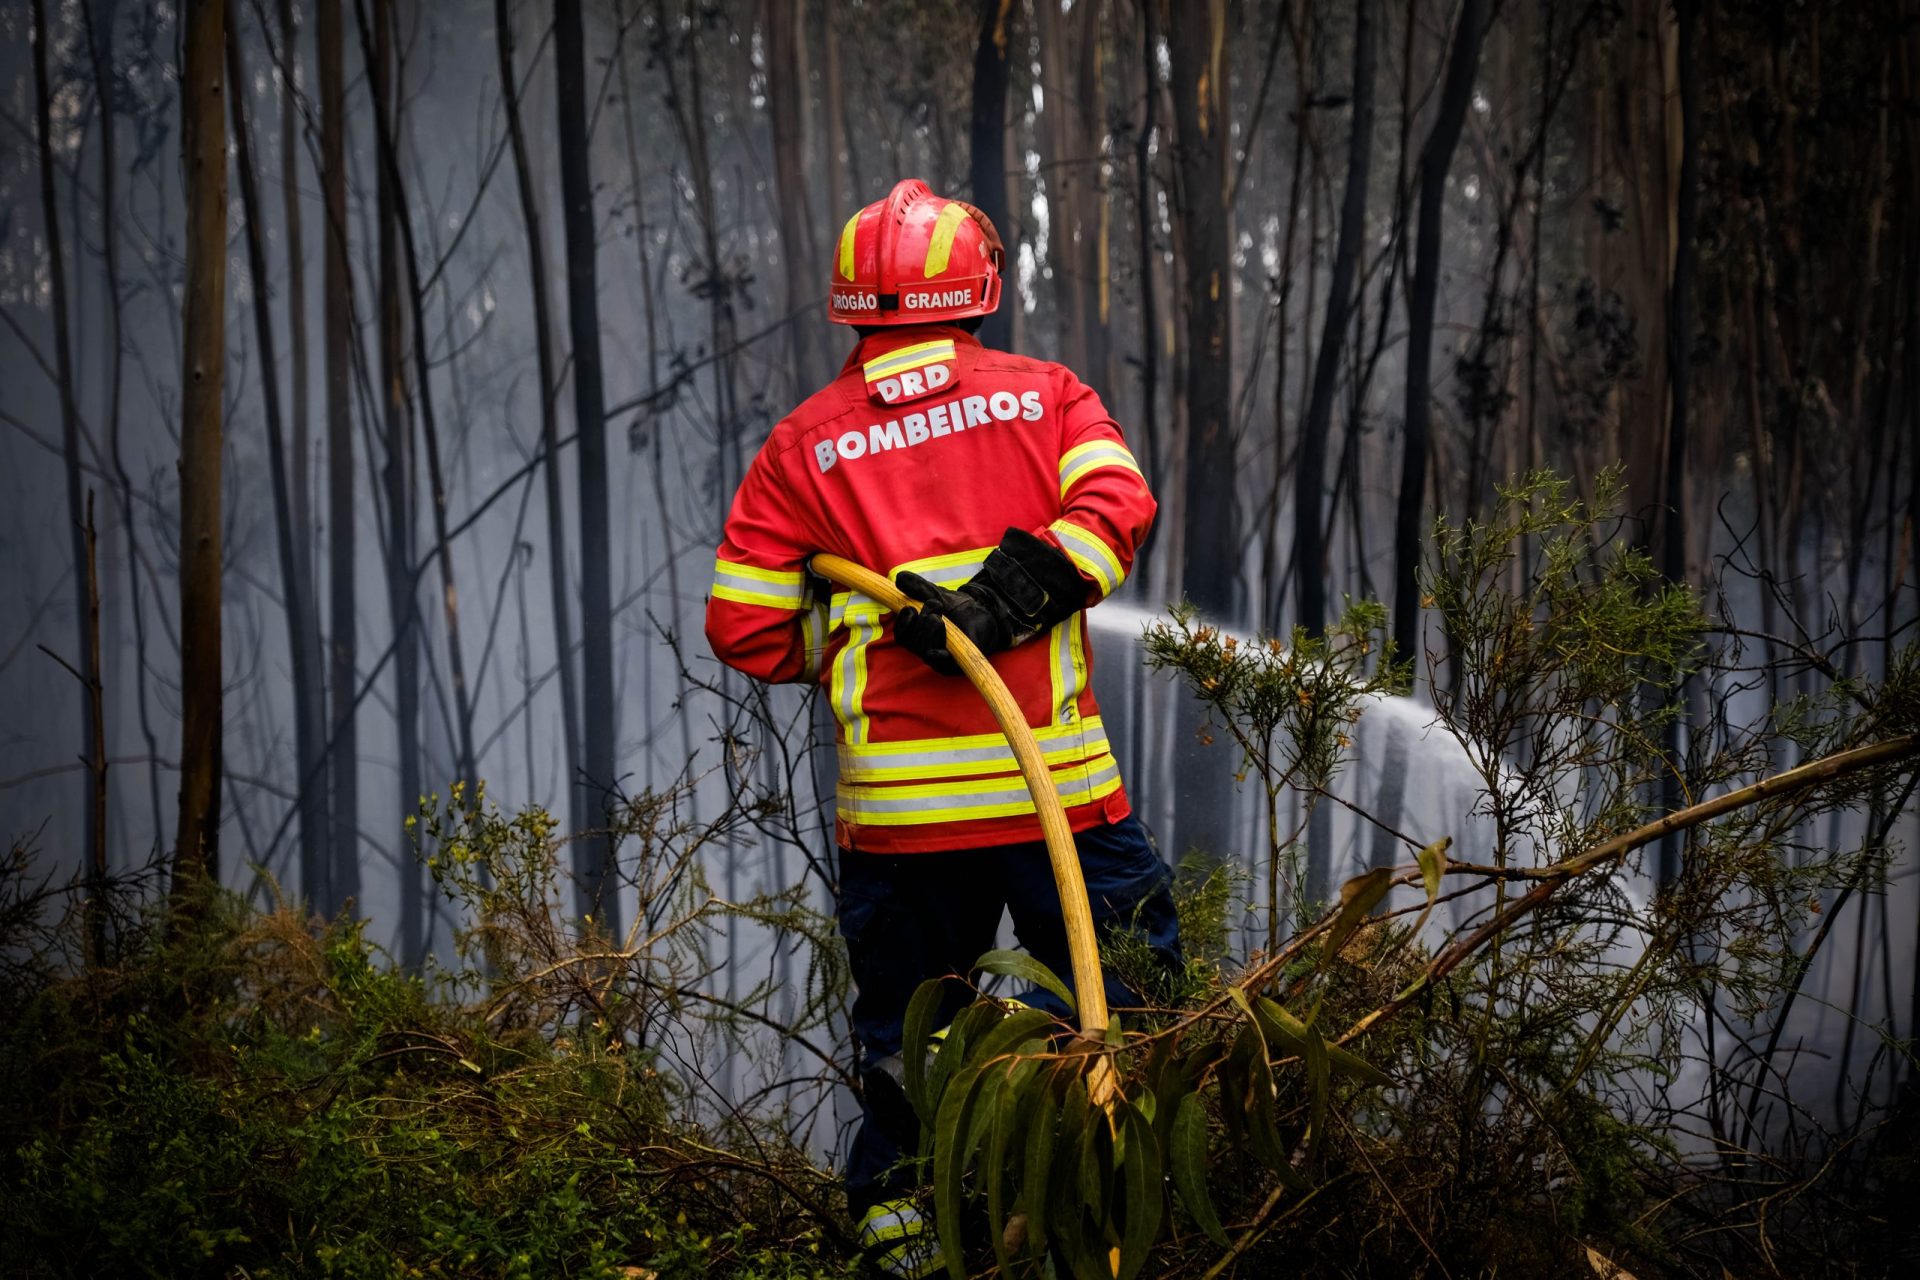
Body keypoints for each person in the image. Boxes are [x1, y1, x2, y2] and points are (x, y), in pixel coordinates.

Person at [703, 178, 1180, 1277]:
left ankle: (904, 1238)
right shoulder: (1047, 395)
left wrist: (869, 637)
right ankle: (1116, 1217)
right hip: (1060, 800)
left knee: (913, 1043)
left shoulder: (801, 446)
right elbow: (1118, 511)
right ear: (980, 289)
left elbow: (746, 627)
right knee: (1132, 1018)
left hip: (904, 826)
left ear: (852, 304)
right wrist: (1017, 594)